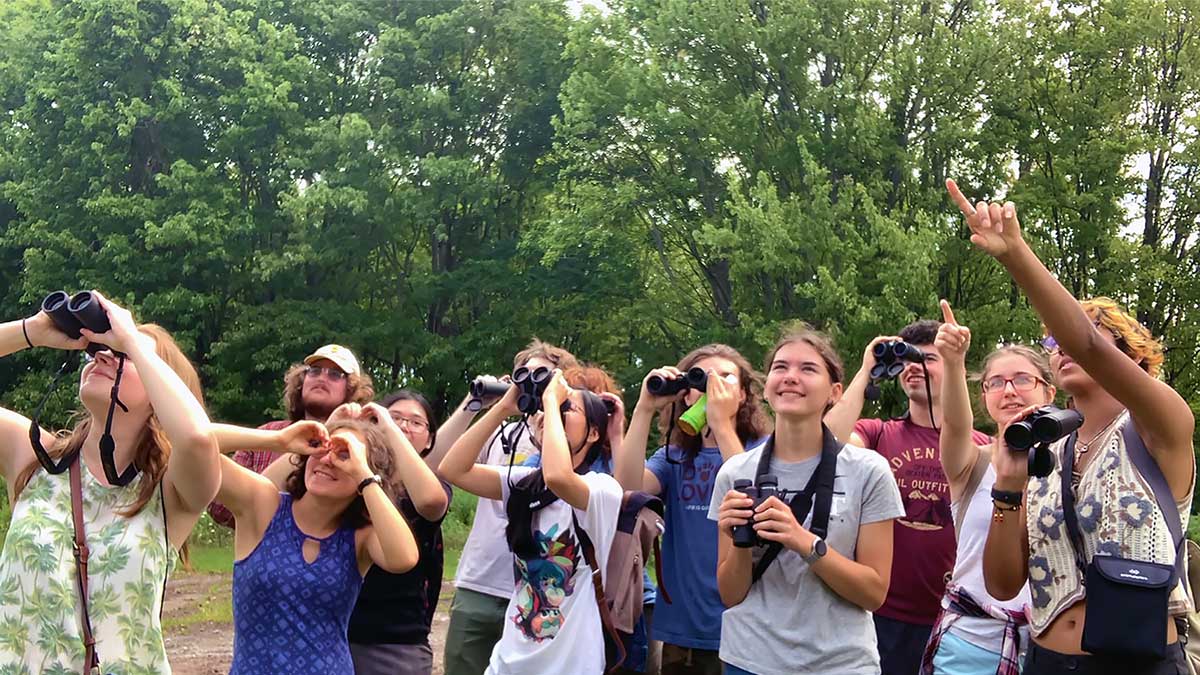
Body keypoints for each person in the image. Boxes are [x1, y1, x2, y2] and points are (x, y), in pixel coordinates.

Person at [949, 180, 1195, 675]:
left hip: (1140, 664)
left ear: (1129, 353)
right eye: (1050, 340)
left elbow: (1084, 342)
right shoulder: (1049, 448)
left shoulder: (1159, 426)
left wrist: (1016, 253)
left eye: (1074, 334)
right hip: (1046, 660)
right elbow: (1002, 584)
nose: (1057, 345)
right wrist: (1009, 486)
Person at [0, 292, 220, 673]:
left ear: (160, 391)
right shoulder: (35, 458)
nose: (102, 356)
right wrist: (32, 330)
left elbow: (198, 437)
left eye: (123, 358)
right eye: (99, 350)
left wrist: (132, 337)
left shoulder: (169, 491)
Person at [711, 326, 905, 675]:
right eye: (780, 367)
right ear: (767, 387)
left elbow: (874, 593)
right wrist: (740, 542)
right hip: (750, 659)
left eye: (808, 369)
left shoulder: (869, 471)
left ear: (834, 392)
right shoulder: (735, 473)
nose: (790, 377)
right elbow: (730, 595)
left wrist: (803, 541)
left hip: (840, 663)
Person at [825, 321, 992, 675]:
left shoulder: (980, 447)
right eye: (909, 359)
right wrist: (867, 369)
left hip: (955, 617)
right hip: (883, 614)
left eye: (928, 358)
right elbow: (827, 443)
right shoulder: (878, 433)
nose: (914, 366)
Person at [439, 366, 626, 675]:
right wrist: (503, 408)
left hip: (570, 664)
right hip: (510, 659)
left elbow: (558, 476)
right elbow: (453, 469)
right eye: (550, 408)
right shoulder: (525, 484)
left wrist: (552, 400)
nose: (550, 413)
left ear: (594, 433)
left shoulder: (602, 490)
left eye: (569, 408)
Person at [213, 403, 422, 674]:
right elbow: (192, 441)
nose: (327, 460)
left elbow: (404, 558)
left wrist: (365, 476)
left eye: (344, 455)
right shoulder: (264, 505)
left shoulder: (360, 536)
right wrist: (278, 441)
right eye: (323, 449)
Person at [615, 344, 770, 675]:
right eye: (702, 379)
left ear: (743, 395)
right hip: (681, 626)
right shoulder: (675, 457)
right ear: (685, 395)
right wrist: (643, 409)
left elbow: (750, 494)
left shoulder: (761, 450)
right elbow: (626, 488)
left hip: (742, 625)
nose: (712, 386)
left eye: (725, 377)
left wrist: (721, 425)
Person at [441, 339, 579, 675]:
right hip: (482, 580)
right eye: (525, 376)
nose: (531, 384)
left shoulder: (576, 436)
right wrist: (491, 406)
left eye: (542, 377)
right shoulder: (500, 430)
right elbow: (442, 461)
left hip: (540, 592)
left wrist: (552, 417)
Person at [921, 300, 1041, 674]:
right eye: (996, 383)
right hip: (970, 647)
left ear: (1049, 392)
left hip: (1051, 648)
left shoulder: (1073, 468)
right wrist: (954, 363)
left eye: (1022, 379)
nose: (1009, 391)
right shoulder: (972, 464)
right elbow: (956, 425)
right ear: (984, 396)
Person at [207, 343, 374, 527]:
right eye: (314, 370)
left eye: (335, 374)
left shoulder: (361, 449)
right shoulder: (267, 433)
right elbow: (221, 510)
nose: (321, 377)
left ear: (352, 390)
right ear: (302, 381)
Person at [346, 390, 452, 675]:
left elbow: (431, 502)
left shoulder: (427, 486)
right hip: (336, 631)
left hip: (396, 641)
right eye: (395, 417)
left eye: (416, 422)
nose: (405, 426)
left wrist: (391, 428)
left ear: (430, 439)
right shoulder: (347, 475)